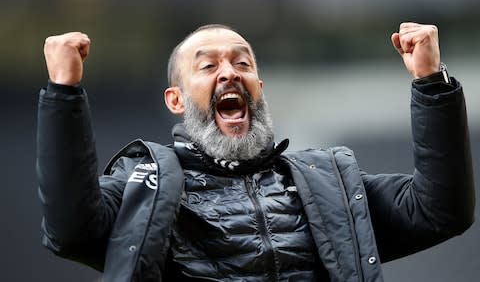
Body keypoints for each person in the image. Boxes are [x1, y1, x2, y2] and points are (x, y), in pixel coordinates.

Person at [37, 22, 475, 282]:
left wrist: (431, 83)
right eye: (208, 66)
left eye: (243, 63)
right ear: (176, 100)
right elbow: (70, 228)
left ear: (259, 90)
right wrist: (63, 93)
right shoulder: (144, 188)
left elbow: (439, 211)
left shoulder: (328, 183)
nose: (229, 72)